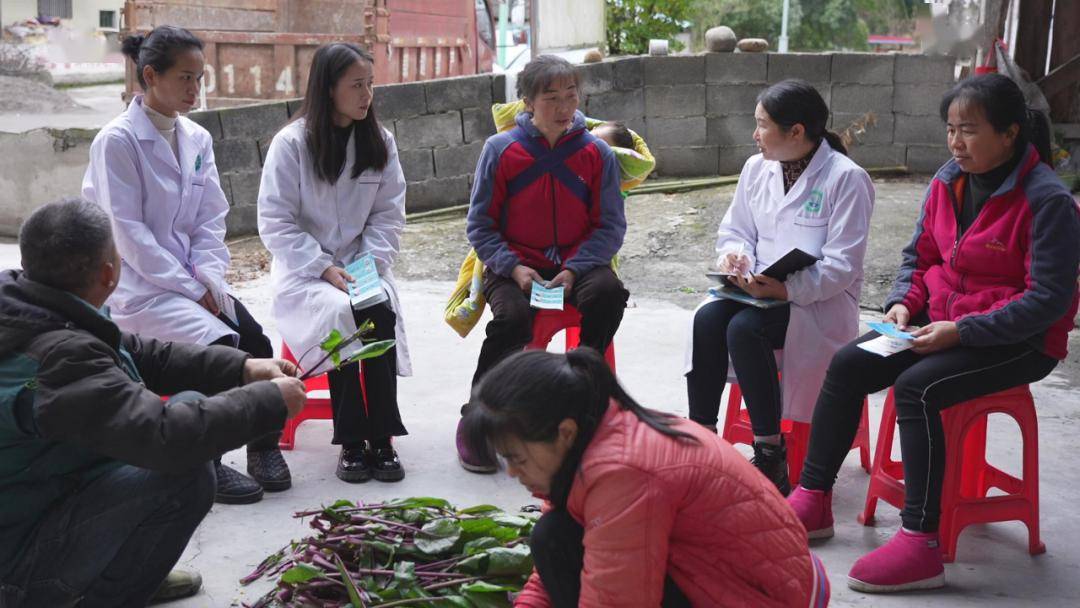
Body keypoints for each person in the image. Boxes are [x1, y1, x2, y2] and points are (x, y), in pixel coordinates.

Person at [788, 73, 1080, 593]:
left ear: (1010, 133)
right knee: (849, 361)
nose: (955, 142)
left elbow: (1047, 301)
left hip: (1020, 341)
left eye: (968, 129)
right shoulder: (949, 180)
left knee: (916, 387)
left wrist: (962, 331)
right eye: (950, 129)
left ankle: (921, 543)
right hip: (938, 321)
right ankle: (813, 499)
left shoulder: (1048, 201)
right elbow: (918, 257)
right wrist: (905, 303)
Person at [0, 199, 308, 607]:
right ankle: (99, 591)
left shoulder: (28, 309)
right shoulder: (61, 358)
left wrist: (244, 368)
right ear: (110, 272)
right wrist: (268, 401)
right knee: (184, 471)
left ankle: (113, 561)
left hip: (34, 500)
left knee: (188, 403)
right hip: (18, 563)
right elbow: (165, 436)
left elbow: (141, 353)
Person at [81, 25, 286, 504]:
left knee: (256, 340)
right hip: (137, 287)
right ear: (150, 76)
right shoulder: (117, 142)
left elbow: (210, 218)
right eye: (185, 79)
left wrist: (209, 277)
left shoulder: (195, 137)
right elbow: (128, 235)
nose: (195, 90)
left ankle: (262, 447)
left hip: (193, 279)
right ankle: (206, 466)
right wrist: (192, 290)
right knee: (215, 351)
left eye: (200, 78)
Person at [462, 348, 830, 607]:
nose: (512, 472)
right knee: (556, 535)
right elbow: (557, 568)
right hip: (760, 580)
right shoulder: (599, 429)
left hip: (764, 597)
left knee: (555, 536)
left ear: (564, 432)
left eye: (517, 458)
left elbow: (617, 601)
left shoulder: (624, 473)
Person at [684, 79, 874, 495]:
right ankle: (700, 438)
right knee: (707, 318)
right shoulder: (757, 169)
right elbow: (737, 229)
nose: (754, 135)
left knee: (743, 329)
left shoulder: (847, 179)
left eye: (762, 125)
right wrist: (736, 257)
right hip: (759, 287)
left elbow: (843, 265)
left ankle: (770, 454)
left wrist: (786, 291)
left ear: (796, 132)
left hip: (815, 301)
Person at [459, 54, 630, 473]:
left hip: (580, 266)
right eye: (550, 97)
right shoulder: (501, 150)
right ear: (527, 102)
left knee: (609, 294)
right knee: (513, 322)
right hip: (514, 266)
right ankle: (476, 421)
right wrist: (514, 268)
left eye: (570, 95)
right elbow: (480, 225)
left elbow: (609, 227)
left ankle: (584, 407)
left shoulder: (597, 154)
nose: (563, 106)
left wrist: (574, 269)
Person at [258, 42, 411, 484]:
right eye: (356, 86)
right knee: (341, 315)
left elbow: (388, 214)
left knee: (376, 308)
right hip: (306, 271)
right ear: (328, 90)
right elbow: (275, 222)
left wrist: (368, 265)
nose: (367, 96)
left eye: (370, 85)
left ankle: (383, 436)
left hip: (363, 265)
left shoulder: (380, 142)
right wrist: (323, 267)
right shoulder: (291, 146)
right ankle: (350, 441)